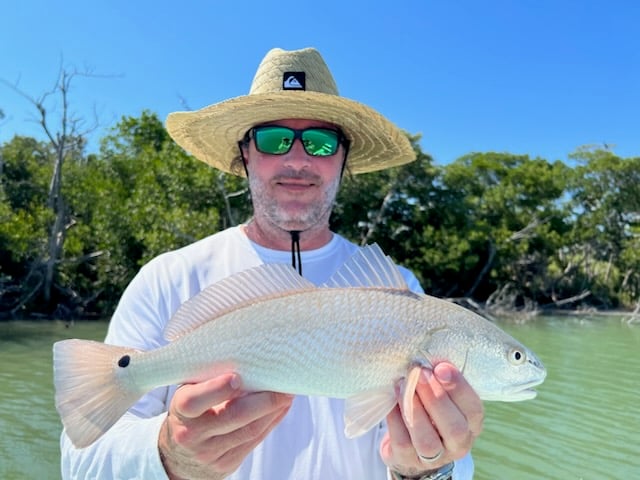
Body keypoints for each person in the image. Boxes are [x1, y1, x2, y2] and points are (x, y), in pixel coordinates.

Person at [60, 47, 483, 480]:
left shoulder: (402, 292)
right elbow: (80, 463)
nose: (297, 159)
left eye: (321, 142)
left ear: (344, 159)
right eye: (273, 139)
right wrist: (167, 455)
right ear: (245, 154)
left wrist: (426, 469)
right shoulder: (166, 279)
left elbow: (452, 465)